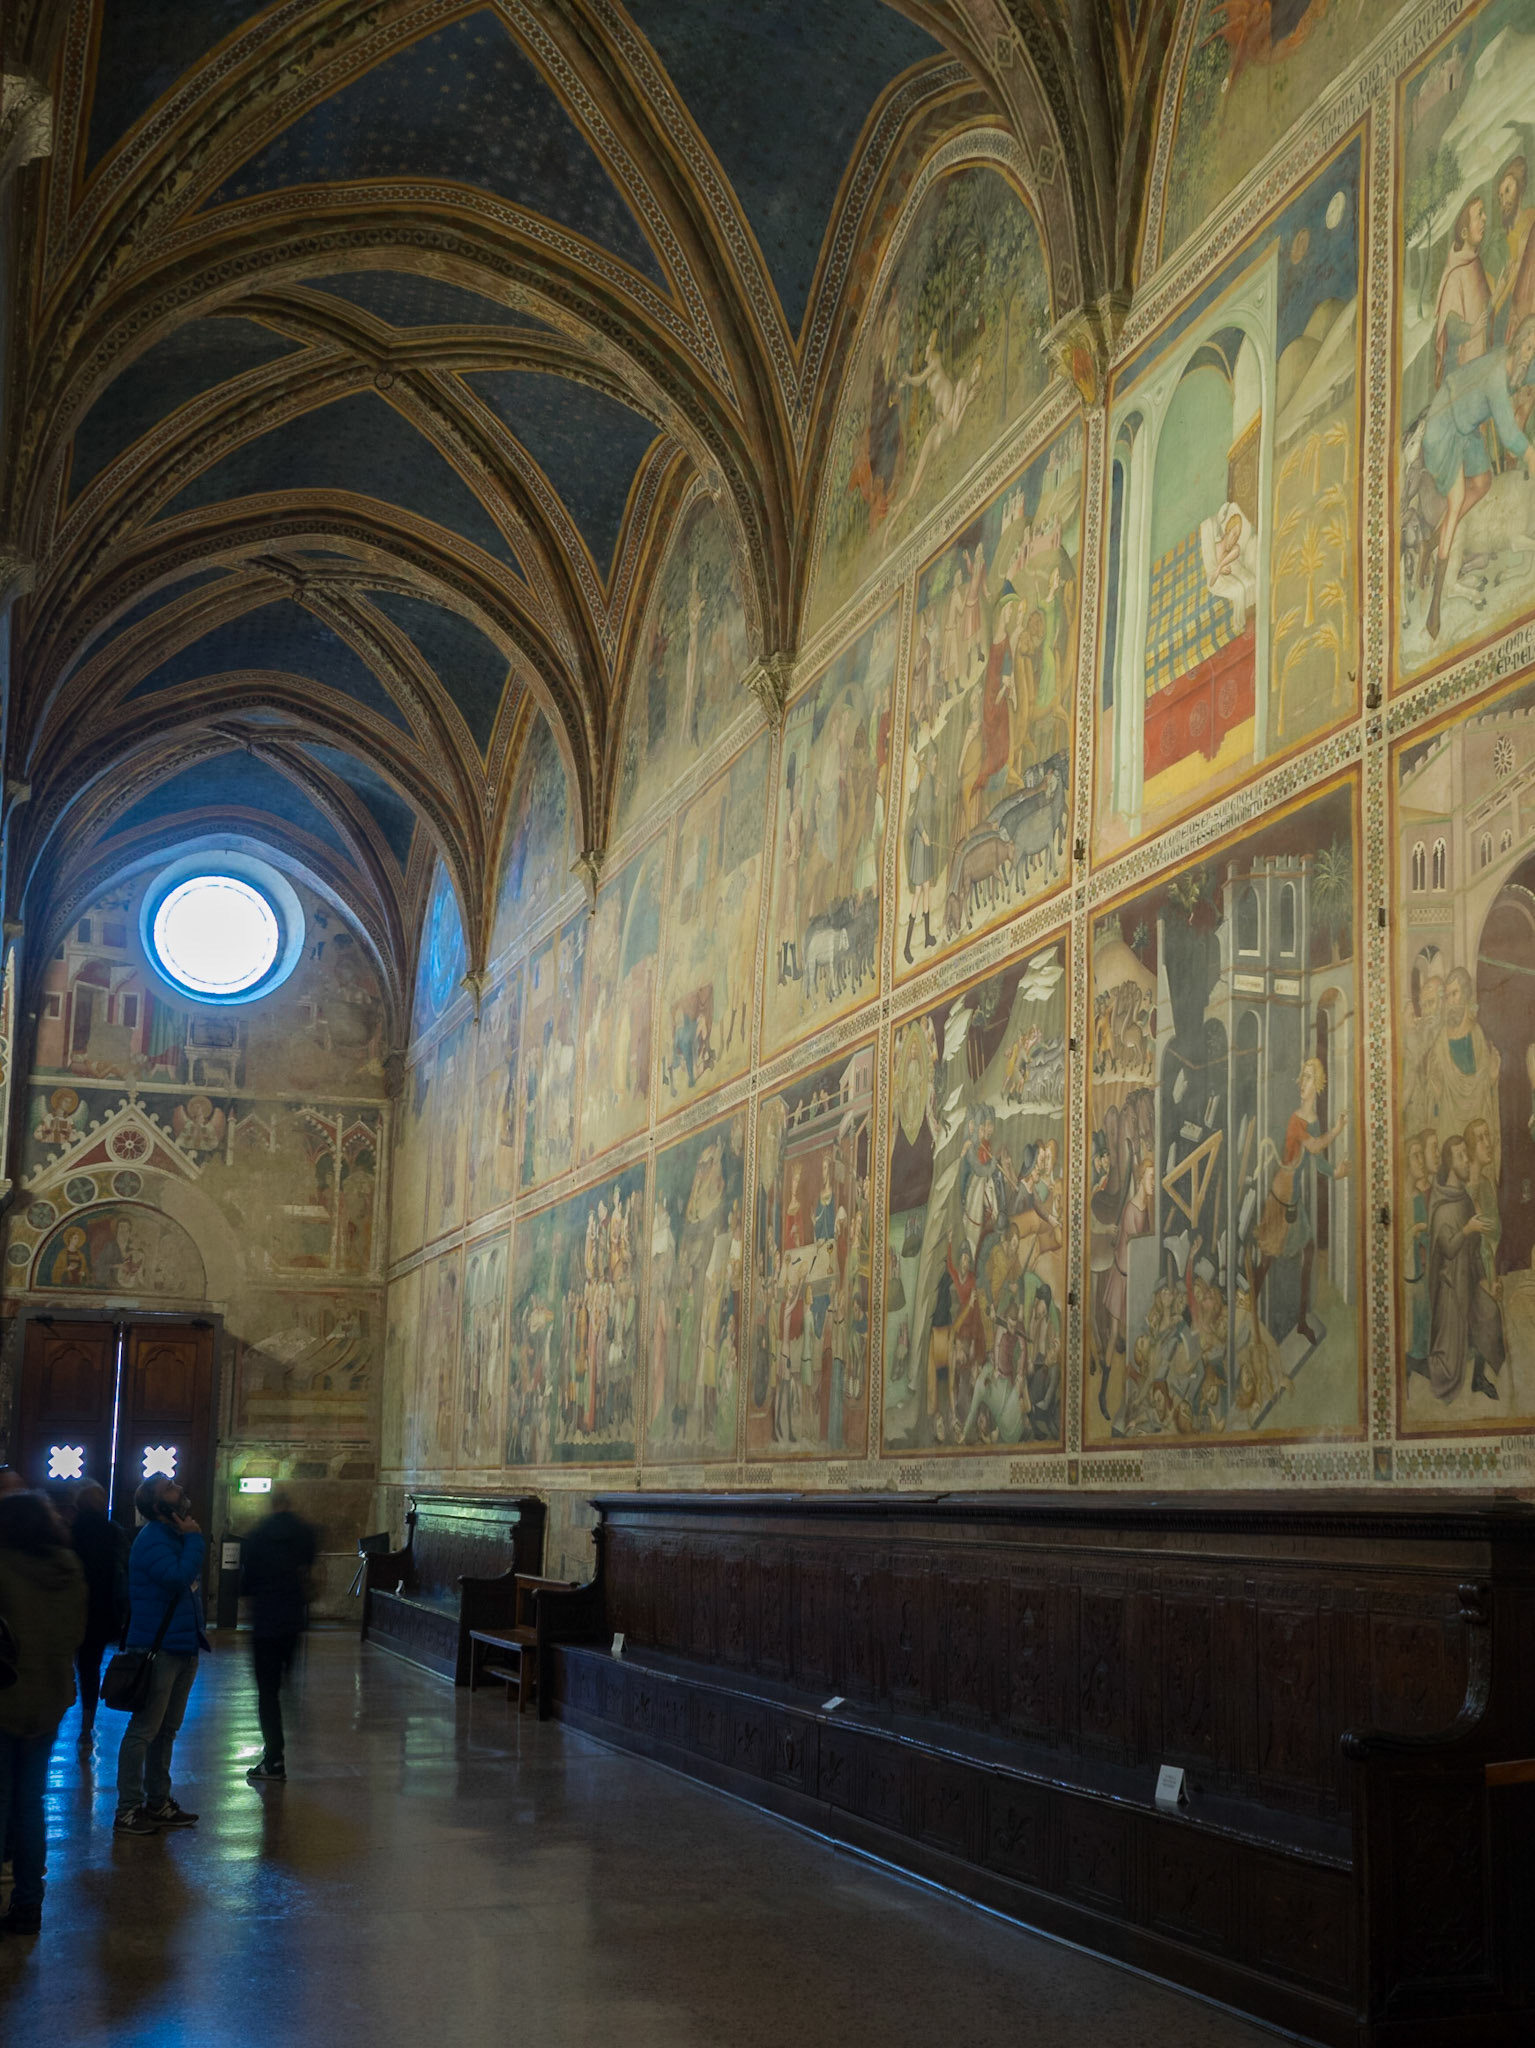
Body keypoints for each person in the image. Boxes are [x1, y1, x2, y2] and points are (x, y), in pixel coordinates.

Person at [0, 1491, 86, 1934]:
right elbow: (75, 1633)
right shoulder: (68, 1568)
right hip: (49, 1698)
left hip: (5, 1697)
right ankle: (29, 1905)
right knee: (30, 1803)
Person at [113, 1474, 207, 1837]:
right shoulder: (153, 1538)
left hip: (181, 1645)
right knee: (144, 1730)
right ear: (159, 1506)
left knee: (166, 1730)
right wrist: (195, 1538)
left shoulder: (172, 1536)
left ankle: (159, 1801)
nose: (180, 1488)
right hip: (158, 1648)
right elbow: (178, 1578)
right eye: (169, 1487)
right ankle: (127, 1809)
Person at [240, 1491, 318, 1784]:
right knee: (284, 1679)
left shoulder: (258, 1536)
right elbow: (309, 1568)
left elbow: (246, 1585)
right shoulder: (304, 1532)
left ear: (274, 1505)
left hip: (266, 1621)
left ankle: (274, 1757)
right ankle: (283, 1733)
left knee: (267, 1693)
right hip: (293, 1619)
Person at [70, 1481, 128, 1744]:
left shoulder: (70, 1532)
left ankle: (63, 1705)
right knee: (90, 1668)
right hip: (101, 1611)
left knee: (71, 1664)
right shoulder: (113, 1533)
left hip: (72, 1609)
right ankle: (87, 1724)